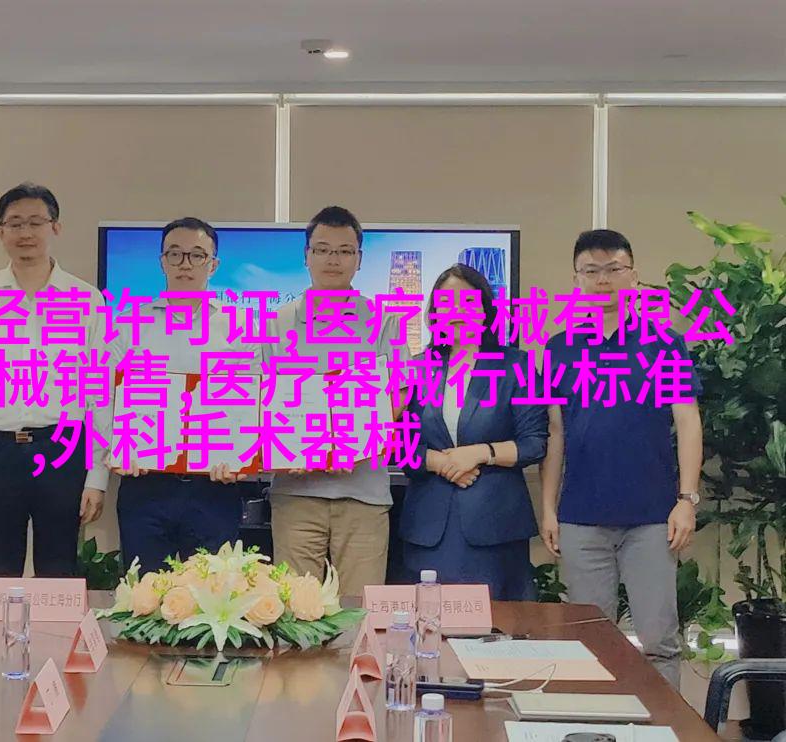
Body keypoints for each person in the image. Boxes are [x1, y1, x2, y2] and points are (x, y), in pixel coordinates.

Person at [540, 229, 703, 688]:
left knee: (658, 641)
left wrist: (687, 500)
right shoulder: (559, 348)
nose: (603, 280)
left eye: (614, 269)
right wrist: (548, 508)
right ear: (576, 279)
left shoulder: (664, 343)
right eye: (591, 271)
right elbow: (556, 433)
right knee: (589, 642)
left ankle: (663, 724)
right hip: (581, 518)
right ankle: (597, 723)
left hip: (652, 519)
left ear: (633, 275)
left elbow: (688, 422)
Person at [0, 182, 105, 577]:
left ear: (55, 227)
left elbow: (98, 394)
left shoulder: (86, 300)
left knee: (58, 574)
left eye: (35, 222)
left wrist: (97, 476)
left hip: (62, 450)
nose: (25, 232)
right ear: (0, 232)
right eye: (15, 223)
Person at [88, 218, 247, 575]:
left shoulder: (240, 328)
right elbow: (101, 398)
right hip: (145, 484)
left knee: (213, 596)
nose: (185, 264)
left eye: (197, 255)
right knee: (145, 596)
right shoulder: (128, 325)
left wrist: (239, 456)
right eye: (175, 254)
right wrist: (114, 454)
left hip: (213, 487)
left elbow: (253, 401)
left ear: (213, 264)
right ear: (162, 262)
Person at [265, 206, 400, 597]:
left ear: (359, 259)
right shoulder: (277, 323)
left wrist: (352, 445)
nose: (333, 260)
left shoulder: (383, 321)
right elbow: (260, 399)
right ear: (306, 256)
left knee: (358, 612)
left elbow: (397, 396)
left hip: (364, 494)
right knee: (295, 611)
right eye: (322, 249)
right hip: (296, 493)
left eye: (344, 251)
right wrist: (295, 446)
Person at [400, 265, 547, 600]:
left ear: (485, 310)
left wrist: (481, 453)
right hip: (430, 529)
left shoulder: (515, 365)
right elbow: (397, 444)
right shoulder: (416, 368)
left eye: (467, 301)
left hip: (495, 528)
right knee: (431, 622)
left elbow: (535, 442)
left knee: (497, 624)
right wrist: (440, 462)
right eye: (446, 302)